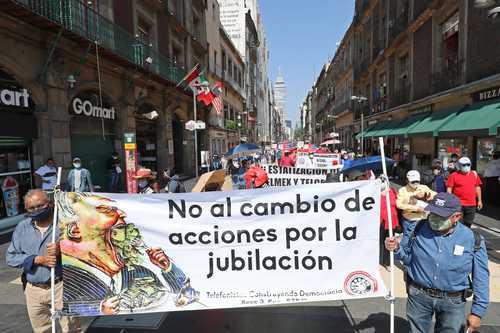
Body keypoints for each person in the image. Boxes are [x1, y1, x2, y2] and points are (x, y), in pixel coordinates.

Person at [56, 192, 198, 315]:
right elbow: (62, 309)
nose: (122, 213)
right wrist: (97, 308)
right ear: (75, 230)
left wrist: (168, 268)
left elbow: (185, 298)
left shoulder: (138, 272)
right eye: (105, 210)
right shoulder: (67, 277)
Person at [385, 192, 489, 333]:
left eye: (440, 215)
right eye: (432, 212)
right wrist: (396, 248)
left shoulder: (473, 239)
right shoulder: (417, 228)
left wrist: (477, 312)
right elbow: (407, 258)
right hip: (418, 296)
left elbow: (481, 277)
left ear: (456, 217)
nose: (433, 218)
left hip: (453, 302)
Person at [6, 189, 80, 333]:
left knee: (71, 329)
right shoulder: (22, 227)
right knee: (41, 330)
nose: (36, 210)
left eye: (40, 205)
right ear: (26, 209)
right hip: (34, 290)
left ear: (50, 204)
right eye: (31, 208)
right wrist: (36, 260)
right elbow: (11, 257)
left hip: (61, 286)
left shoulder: (65, 224)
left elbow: (84, 251)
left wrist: (62, 249)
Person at [396, 170, 436, 237]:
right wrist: (416, 208)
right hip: (410, 219)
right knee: (408, 238)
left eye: (417, 181)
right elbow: (399, 204)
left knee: (421, 238)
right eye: (413, 181)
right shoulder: (402, 190)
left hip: (423, 219)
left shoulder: (423, 187)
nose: (415, 183)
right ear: (407, 180)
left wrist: (428, 195)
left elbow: (434, 195)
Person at [447, 157, 483, 228]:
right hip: (458, 204)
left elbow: (477, 187)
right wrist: (449, 201)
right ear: (459, 165)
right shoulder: (453, 175)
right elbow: (449, 188)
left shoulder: (474, 174)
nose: (466, 166)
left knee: (468, 223)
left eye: (468, 164)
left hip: (471, 204)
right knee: (457, 223)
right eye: (464, 165)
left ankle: (465, 237)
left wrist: (479, 201)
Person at [379, 178, 399, 269]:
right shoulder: (375, 194)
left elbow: (398, 204)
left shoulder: (392, 191)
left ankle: (387, 262)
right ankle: (378, 261)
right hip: (380, 222)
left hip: (392, 221)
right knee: (380, 242)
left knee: (389, 242)